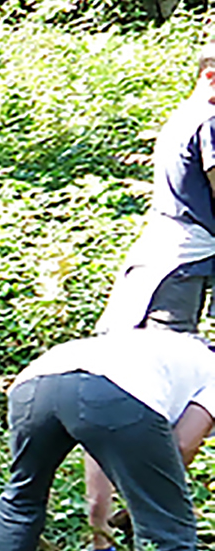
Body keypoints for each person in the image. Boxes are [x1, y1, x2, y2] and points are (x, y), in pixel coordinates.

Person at [84, 44, 215, 551]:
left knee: (110, 384)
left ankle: (103, 543)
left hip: (149, 265)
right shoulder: (208, 119)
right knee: (165, 395)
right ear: (211, 75)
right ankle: (146, 519)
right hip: (177, 271)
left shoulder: (178, 119)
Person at [0, 326, 215, 551]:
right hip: (116, 391)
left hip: (36, 382)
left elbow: (101, 441)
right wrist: (150, 500)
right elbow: (182, 445)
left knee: (22, 497)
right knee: (166, 525)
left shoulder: (160, 349)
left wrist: (119, 507)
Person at [95, 44, 215, 335]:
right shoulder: (209, 121)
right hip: (185, 257)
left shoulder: (183, 116)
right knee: (168, 348)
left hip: (166, 251)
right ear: (211, 77)